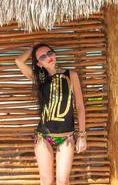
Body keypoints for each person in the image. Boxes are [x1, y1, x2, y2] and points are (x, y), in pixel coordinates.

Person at [15, 43, 87, 185]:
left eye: (50, 53)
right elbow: (18, 61)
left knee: (62, 181)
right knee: (46, 181)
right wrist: (32, 49)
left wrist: (82, 136)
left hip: (66, 137)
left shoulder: (71, 75)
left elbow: (80, 106)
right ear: (39, 63)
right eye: (43, 56)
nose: (48, 57)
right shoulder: (39, 79)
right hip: (43, 137)